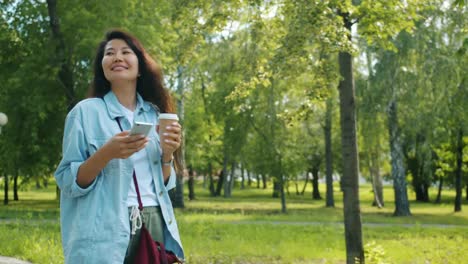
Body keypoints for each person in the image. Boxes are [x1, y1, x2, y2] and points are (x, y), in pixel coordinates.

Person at [55, 29, 184, 263]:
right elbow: (68, 181)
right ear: (102, 67)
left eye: (126, 52)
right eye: (109, 53)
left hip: (153, 219)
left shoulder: (157, 116)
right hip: (103, 225)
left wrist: (167, 154)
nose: (117, 57)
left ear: (140, 65)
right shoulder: (85, 112)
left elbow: (164, 183)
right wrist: (106, 153)